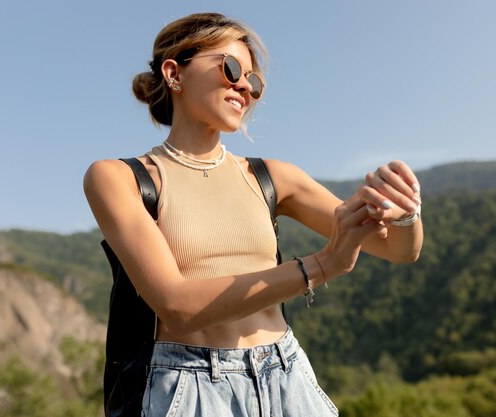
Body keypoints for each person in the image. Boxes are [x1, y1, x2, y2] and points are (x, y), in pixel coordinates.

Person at [84, 12, 423, 417]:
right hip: (190, 387)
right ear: (174, 73)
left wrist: (405, 214)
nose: (245, 86)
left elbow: (398, 251)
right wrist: (323, 264)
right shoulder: (119, 178)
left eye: (254, 81)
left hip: (287, 375)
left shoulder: (272, 177)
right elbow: (177, 306)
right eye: (230, 69)